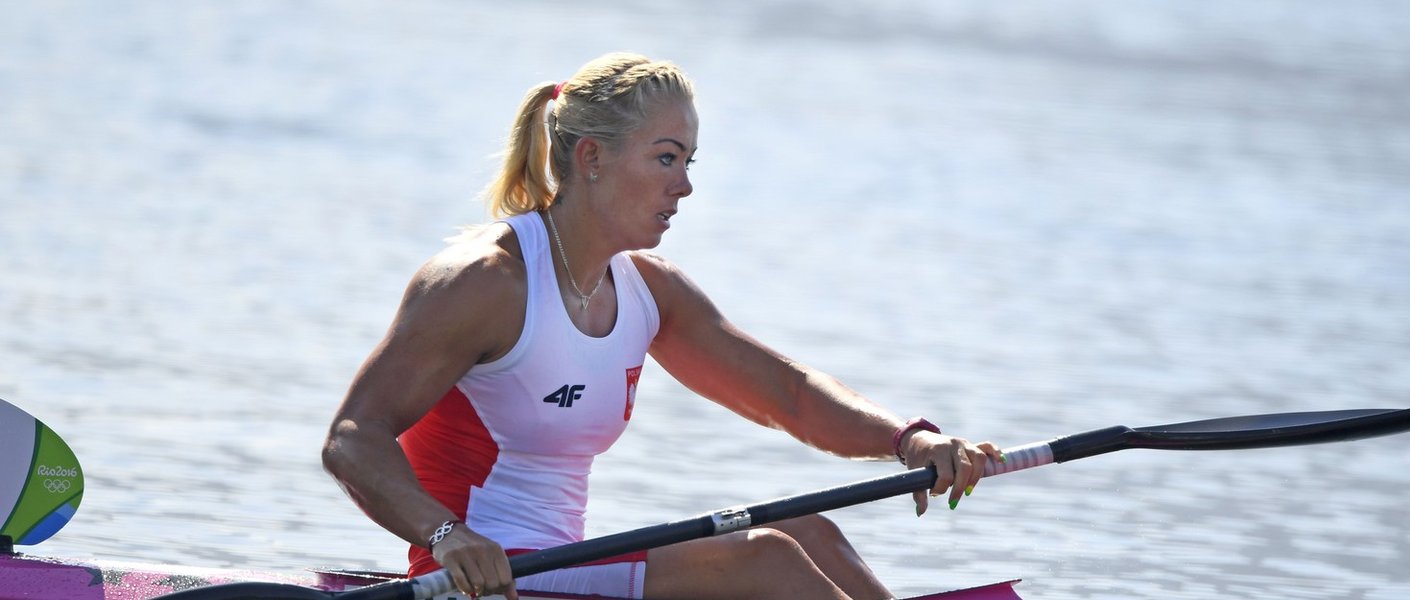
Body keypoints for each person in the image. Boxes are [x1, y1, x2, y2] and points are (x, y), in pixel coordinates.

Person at [322, 52, 1002, 600]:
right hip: (482, 578)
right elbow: (353, 439)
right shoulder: (484, 283)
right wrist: (446, 537)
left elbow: (787, 395)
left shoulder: (650, 291)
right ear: (591, 159)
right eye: (666, 158)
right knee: (766, 561)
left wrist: (910, 441)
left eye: (687, 162)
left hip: (569, 569)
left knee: (805, 531)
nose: (685, 186)